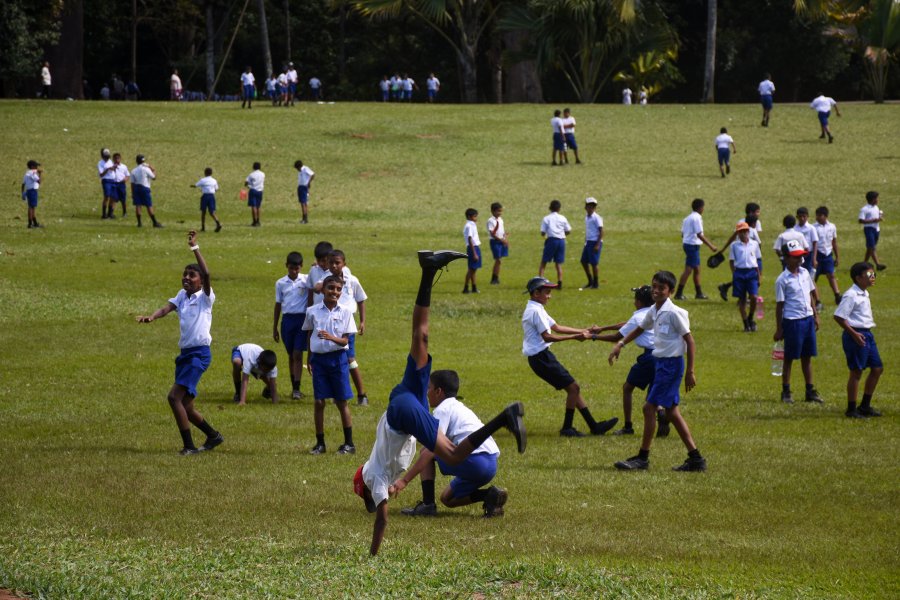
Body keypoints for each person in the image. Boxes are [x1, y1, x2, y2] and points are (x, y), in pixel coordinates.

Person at [353, 250, 526, 556]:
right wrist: (398, 484)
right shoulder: (373, 469)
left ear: (367, 488)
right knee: (420, 337)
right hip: (404, 399)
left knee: (453, 455)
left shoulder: (375, 478)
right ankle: (429, 269)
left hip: (403, 415)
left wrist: (372, 554)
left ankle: (504, 418)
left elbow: (379, 517)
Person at [136, 231, 224, 455]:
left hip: (199, 355)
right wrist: (153, 316)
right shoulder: (182, 295)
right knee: (186, 406)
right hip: (185, 355)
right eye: (184, 274)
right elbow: (167, 308)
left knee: (173, 398)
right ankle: (213, 436)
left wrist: (195, 248)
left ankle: (189, 446)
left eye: (191, 275)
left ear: (201, 281)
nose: (186, 277)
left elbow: (206, 271)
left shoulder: (205, 297)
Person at [608, 270, 706, 472]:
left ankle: (643, 458)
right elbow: (640, 328)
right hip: (660, 364)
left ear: (670, 291)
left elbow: (690, 340)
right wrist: (621, 344)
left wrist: (691, 371)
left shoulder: (673, 313)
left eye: (661, 288)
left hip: (671, 366)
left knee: (648, 408)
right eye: (654, 286)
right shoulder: (654, 310)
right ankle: (696, 458)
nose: (656, 291)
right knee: (672, 412)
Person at [397, 370, 506, 518]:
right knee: (447, 499)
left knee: (426, 452)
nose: (426, 392)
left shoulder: (442, 409)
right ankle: (490, 495)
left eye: (428, 388)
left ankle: (428, 505)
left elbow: (431, 449)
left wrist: (404, 480)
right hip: (490, 463)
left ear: (438, 391)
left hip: (476, 461)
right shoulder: (459, 407)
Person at [522, 276, 618, 437]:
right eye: (547, 292)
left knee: (573, 389)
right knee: (574, 388)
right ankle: (567, 428)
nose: (549, 296)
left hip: (542, 357)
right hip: (541, 358)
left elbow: (557, 327)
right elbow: (548, 336)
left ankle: (594, 426)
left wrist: (584, 330)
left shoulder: (537, 308)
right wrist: (575, 337)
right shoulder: (534, 311)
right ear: (536, 293)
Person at [591, 285, 670, 437]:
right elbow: (625, 325)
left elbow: (616, 337)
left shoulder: (638, 317)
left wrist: (593, 337)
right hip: (664, 356)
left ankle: (628, 427)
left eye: (635, 299)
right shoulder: (655, 311)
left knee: (628, 388)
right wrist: (603, 328)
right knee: (652, 395)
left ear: (639, 302)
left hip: (649, 357)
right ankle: (661, 411)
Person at [303, 275, 357, 455]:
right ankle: (320, 443)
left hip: (338, 359)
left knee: (341, 402)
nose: (335, 292)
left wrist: (330, 337)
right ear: (323, 289)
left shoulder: (346, 312)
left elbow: (344, 341)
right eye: (331, 288)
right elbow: (310, 334)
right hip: (319, 360)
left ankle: (349, 443)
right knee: (319, 402)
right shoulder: (312, 311)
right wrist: (309, 357)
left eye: (338, 289)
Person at [774, 239, 823, 405]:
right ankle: (786, 390)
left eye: (801, 256)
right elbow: (779, 306)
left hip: (807, 318)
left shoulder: (805, 273)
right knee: (789, 357)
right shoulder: (782, 280)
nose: (799, 259)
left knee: (807, 356)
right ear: (786, 258)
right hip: (793, 321)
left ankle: (810, 390)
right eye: (795, 257)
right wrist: (779, 328)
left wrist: (815, 315)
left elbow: (810, 295)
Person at [834, 262, 883, 419]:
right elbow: (839, 317)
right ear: (858, 278)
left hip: (867, 334)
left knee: (877, 368)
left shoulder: (864, 292)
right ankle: (851, 409)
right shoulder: (851, 295)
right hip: (856, 335)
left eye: (873, 274)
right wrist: (854, 334)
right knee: (856, 372)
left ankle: (865, 406)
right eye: (869, 275)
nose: (873, 277)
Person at [329, 249, 370, 407]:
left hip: (347, 323)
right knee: (335, 359)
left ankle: (362, 394)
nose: (334, 266)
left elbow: (360, 299)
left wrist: (362, 321)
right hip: (332, 322)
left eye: (337, 263)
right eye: (331, 263)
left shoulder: (352, 280)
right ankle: (338, 394)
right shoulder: (326, 280)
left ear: (344, 264)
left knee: (349, 358)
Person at [274, 251, 309, 400]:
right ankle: (293, 385)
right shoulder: (280, 283)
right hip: (287, 321)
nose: (294, 272)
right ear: (286, 266)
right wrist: (274, 326)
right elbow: (278, 304)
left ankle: (297, 388)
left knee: (297, 353)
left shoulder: (306, 280)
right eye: (291, 268)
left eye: (297, 269)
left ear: (301, 267)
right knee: (291, 355)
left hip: (301, 319)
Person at [717, 203, 763, 300]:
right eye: (757, 212)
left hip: (749, 250)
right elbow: (735, 236)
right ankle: (751, 296)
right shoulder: (744, 223)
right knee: (753, 276)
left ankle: (726, 287)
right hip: (744, 250)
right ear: (751, 212)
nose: (758, 214)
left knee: (747, 276)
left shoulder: (756, 222)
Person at [675, 198, 718, 300]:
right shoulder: (697, 218)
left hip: (687, 244)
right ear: (700, 208)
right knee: (688, 270)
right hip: (692, 245)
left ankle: (699, 293)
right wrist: (711, 246)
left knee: (697, 269)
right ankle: (678, 293)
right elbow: (699, 234)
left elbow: (683, 234)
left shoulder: (687, 218)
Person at [728, 222, 762, 332]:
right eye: (741, 232)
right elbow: (732, 261)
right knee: (742, 299)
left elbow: (757, 260)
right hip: (740, 272)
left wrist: (759, 275)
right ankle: (746, 323)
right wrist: (735, 273)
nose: (744, 234)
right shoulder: (734, 246)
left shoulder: (754, 244)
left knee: (754, 297)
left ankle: (751, 317)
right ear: (738, 233)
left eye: (745, 231)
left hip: (752, 272)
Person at [539, 199, 571, 289]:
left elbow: (542, 232)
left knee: (544, 262)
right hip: (561, 241)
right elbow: (568, 230)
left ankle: (540, 281)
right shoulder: (563, 218)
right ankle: (560, 282)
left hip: (551, 240)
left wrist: (546, 237)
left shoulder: (547, 218)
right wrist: (563, 235)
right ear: (559, 209)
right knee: (558, 263)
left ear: (550, 208)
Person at [814, 206, 841, 307]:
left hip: (828, 254)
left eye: (819, 215)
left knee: (831, 275)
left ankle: (837, 295)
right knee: (813, 278)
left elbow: (834, 242)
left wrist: (837, 256)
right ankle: (816, 300)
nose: (817, 217)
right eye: (817, 215)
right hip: (817, 255)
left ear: (825, 216)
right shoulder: (814, 227)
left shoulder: (832, 227)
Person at [130, 155, 163, 228]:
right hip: (144, 188)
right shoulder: (145, 169)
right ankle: (154, 222)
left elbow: (132, 183)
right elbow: (154, 177)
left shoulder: (133, 170)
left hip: (136, 188)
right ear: (143, 161)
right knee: (149, 205)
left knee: (138, 205)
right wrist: (153, 169)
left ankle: (139, 223)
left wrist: (132, 193)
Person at [859, 191, 885, 271]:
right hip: (869, 229)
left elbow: (877, 218)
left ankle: (864, 264)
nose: (877, 200)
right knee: (872, 247)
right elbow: (861, 220)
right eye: (876, 198)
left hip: (876, 229)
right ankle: (878, 264)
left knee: (870, 248)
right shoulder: (865, 209)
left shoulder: (876, 207)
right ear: (872, 199)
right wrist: (873, 220)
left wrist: (880, 217)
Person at [580, 197, 603, 290]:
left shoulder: (597, 218)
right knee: (583, 261)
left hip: (595, 241)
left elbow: (601, 231)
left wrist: (597, 244)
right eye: (589, 206)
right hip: (588, 242)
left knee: (594, 263)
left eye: (593, 207)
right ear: (586, 207)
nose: (591, 208)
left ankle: (595, 283)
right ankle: (590, 281)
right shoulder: (587, 217)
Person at [191, 167, 222, 233]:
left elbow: (196, 185)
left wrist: (192, 186)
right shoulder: (214, 180)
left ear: (205, 173)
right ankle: (218, 223)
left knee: (203, 212)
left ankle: (203, 227)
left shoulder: (203, 180)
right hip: (212, 196)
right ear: (211, 173)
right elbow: (216, 189)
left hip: (205, 196)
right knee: (212, 212)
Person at [487, 202, 508, 286]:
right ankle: (494, 278)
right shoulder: (490, 221)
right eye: (498, 211)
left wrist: (505, 238)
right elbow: (492, 233)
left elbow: (501, 231)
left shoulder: (500, 220)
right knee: (498, 259)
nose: (500, 213)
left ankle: (496, 278)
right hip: (495, 242)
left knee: (499, 261)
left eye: (501, 211)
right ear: (492, 211)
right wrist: (501, 240)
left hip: (501, 241)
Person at [463, 208, 481, 294]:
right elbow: (470, 239)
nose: (476, 218)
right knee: (471, 269)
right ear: (469, 217)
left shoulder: (472, 224)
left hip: (475, 247)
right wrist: (474, 253)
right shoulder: (469, 226)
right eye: (475, 216)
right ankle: (466, 288)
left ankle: (474, 287)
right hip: (472, 248)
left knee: (474, 269)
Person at [21, 159, 43, 229]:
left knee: (31, 207)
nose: (37, 167)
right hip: (33, 191)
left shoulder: (26, 173)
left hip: (28, 191)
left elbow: (23, 184)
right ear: (32, 166)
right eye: (36, 166)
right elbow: (39, 181)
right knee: (31, 207)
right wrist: (40, 174)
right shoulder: (33, 173)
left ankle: (34, 223)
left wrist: (23, 193)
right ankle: (31, 224)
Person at [97, 148, 116, 219]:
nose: (108, 157)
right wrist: (108, 169)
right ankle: (104, 214)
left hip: (113, 180)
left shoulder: (110, 161)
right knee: (106, 197)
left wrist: (114, 168)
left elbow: (112, 169)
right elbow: (101, 174)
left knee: (113, 197)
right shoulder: (100, 163)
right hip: (106, 181)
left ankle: (110, 213)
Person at [244, 162, 265, 226]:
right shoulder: (263, 174)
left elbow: (246, 182)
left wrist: (247, 185)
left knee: (253, 206)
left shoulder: (251, 174)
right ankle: (258, 220)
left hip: (253, 190)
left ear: (253, 167)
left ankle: (254, 221)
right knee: (258, 206)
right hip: (260, 191)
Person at [294, 160, 315, 224]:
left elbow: (313, 174)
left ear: (299, 167)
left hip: (304, 187)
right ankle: (304, 218)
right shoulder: (300, 171)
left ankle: (305, 219)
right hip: (300, 187)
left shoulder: (305, 169)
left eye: (297, 168)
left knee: (303, 203)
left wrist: (309, 183)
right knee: (303, 203)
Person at [111, 153, 130, 217]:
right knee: (114, 199)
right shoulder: (111, 166)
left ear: (120, 159)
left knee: (123, 199)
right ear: (113, 159)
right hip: (114, 184)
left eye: (118, 158)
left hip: (121, 184)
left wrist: (125, 179)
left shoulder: (124, 166)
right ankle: (111, 213)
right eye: (115, 158)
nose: (116, 160)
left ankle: (125, 212)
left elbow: (127, 175)